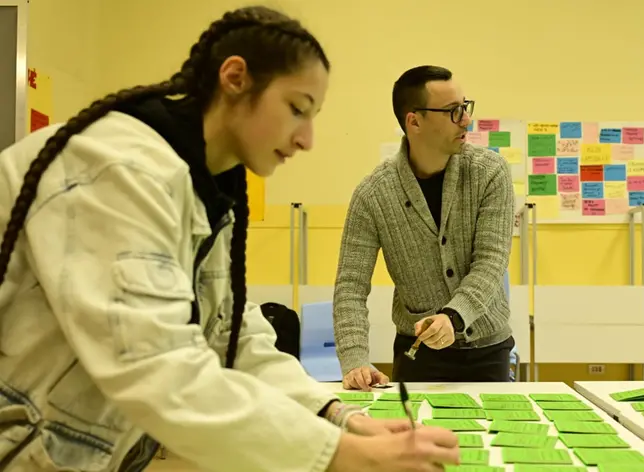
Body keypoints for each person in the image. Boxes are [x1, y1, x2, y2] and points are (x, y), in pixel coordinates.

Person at [0, 7, 458, 472]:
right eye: (297, 109)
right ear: (235, 77)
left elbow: (231, 335)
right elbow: (157, 367)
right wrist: (339, 455)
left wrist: (337, 418)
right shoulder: (115, 171)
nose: (307, 140)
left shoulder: (204, 184)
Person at [333, 65, 515, 390]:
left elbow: (491, 261)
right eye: (452, 112)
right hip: (417, 355)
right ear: (413, 121)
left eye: (465, 107)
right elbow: (350, 286)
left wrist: (453, 317)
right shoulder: (373, 193)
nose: (466, 120)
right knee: (412, 438)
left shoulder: (490, 172)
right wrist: (355, 359)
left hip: (487, 351)